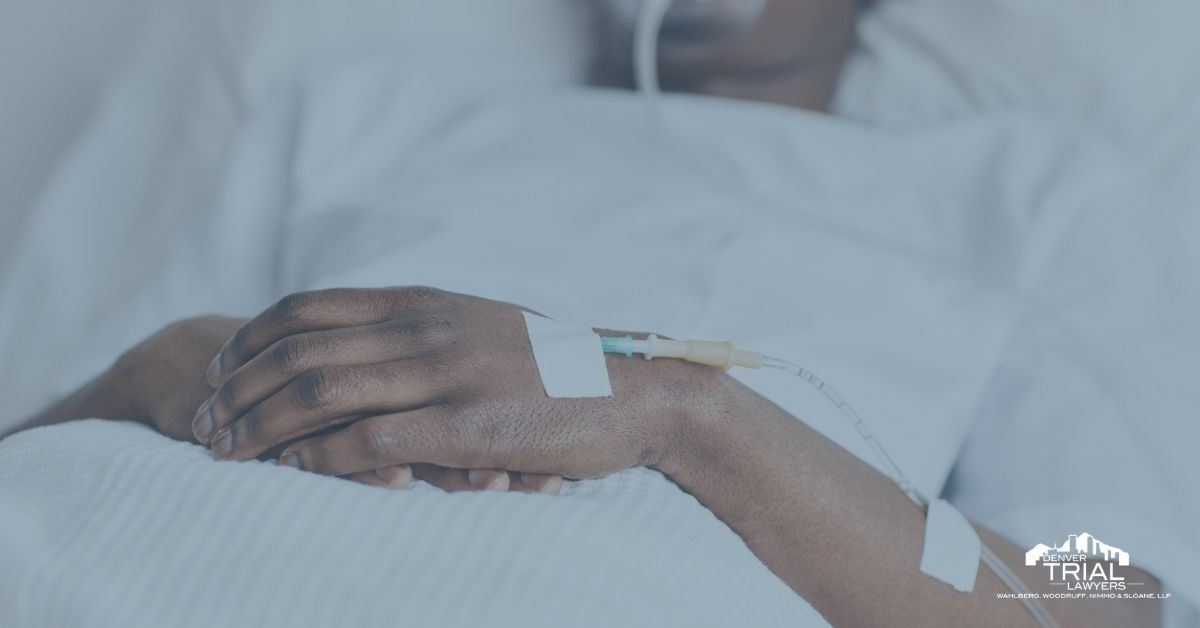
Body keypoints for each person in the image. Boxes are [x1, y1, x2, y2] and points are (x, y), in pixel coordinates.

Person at [8, 2, 1165, 627]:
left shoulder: (1026, 194)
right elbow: (48, 435)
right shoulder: (363, 118)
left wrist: (682, 409)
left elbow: (1118, 594)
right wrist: (142, 373)